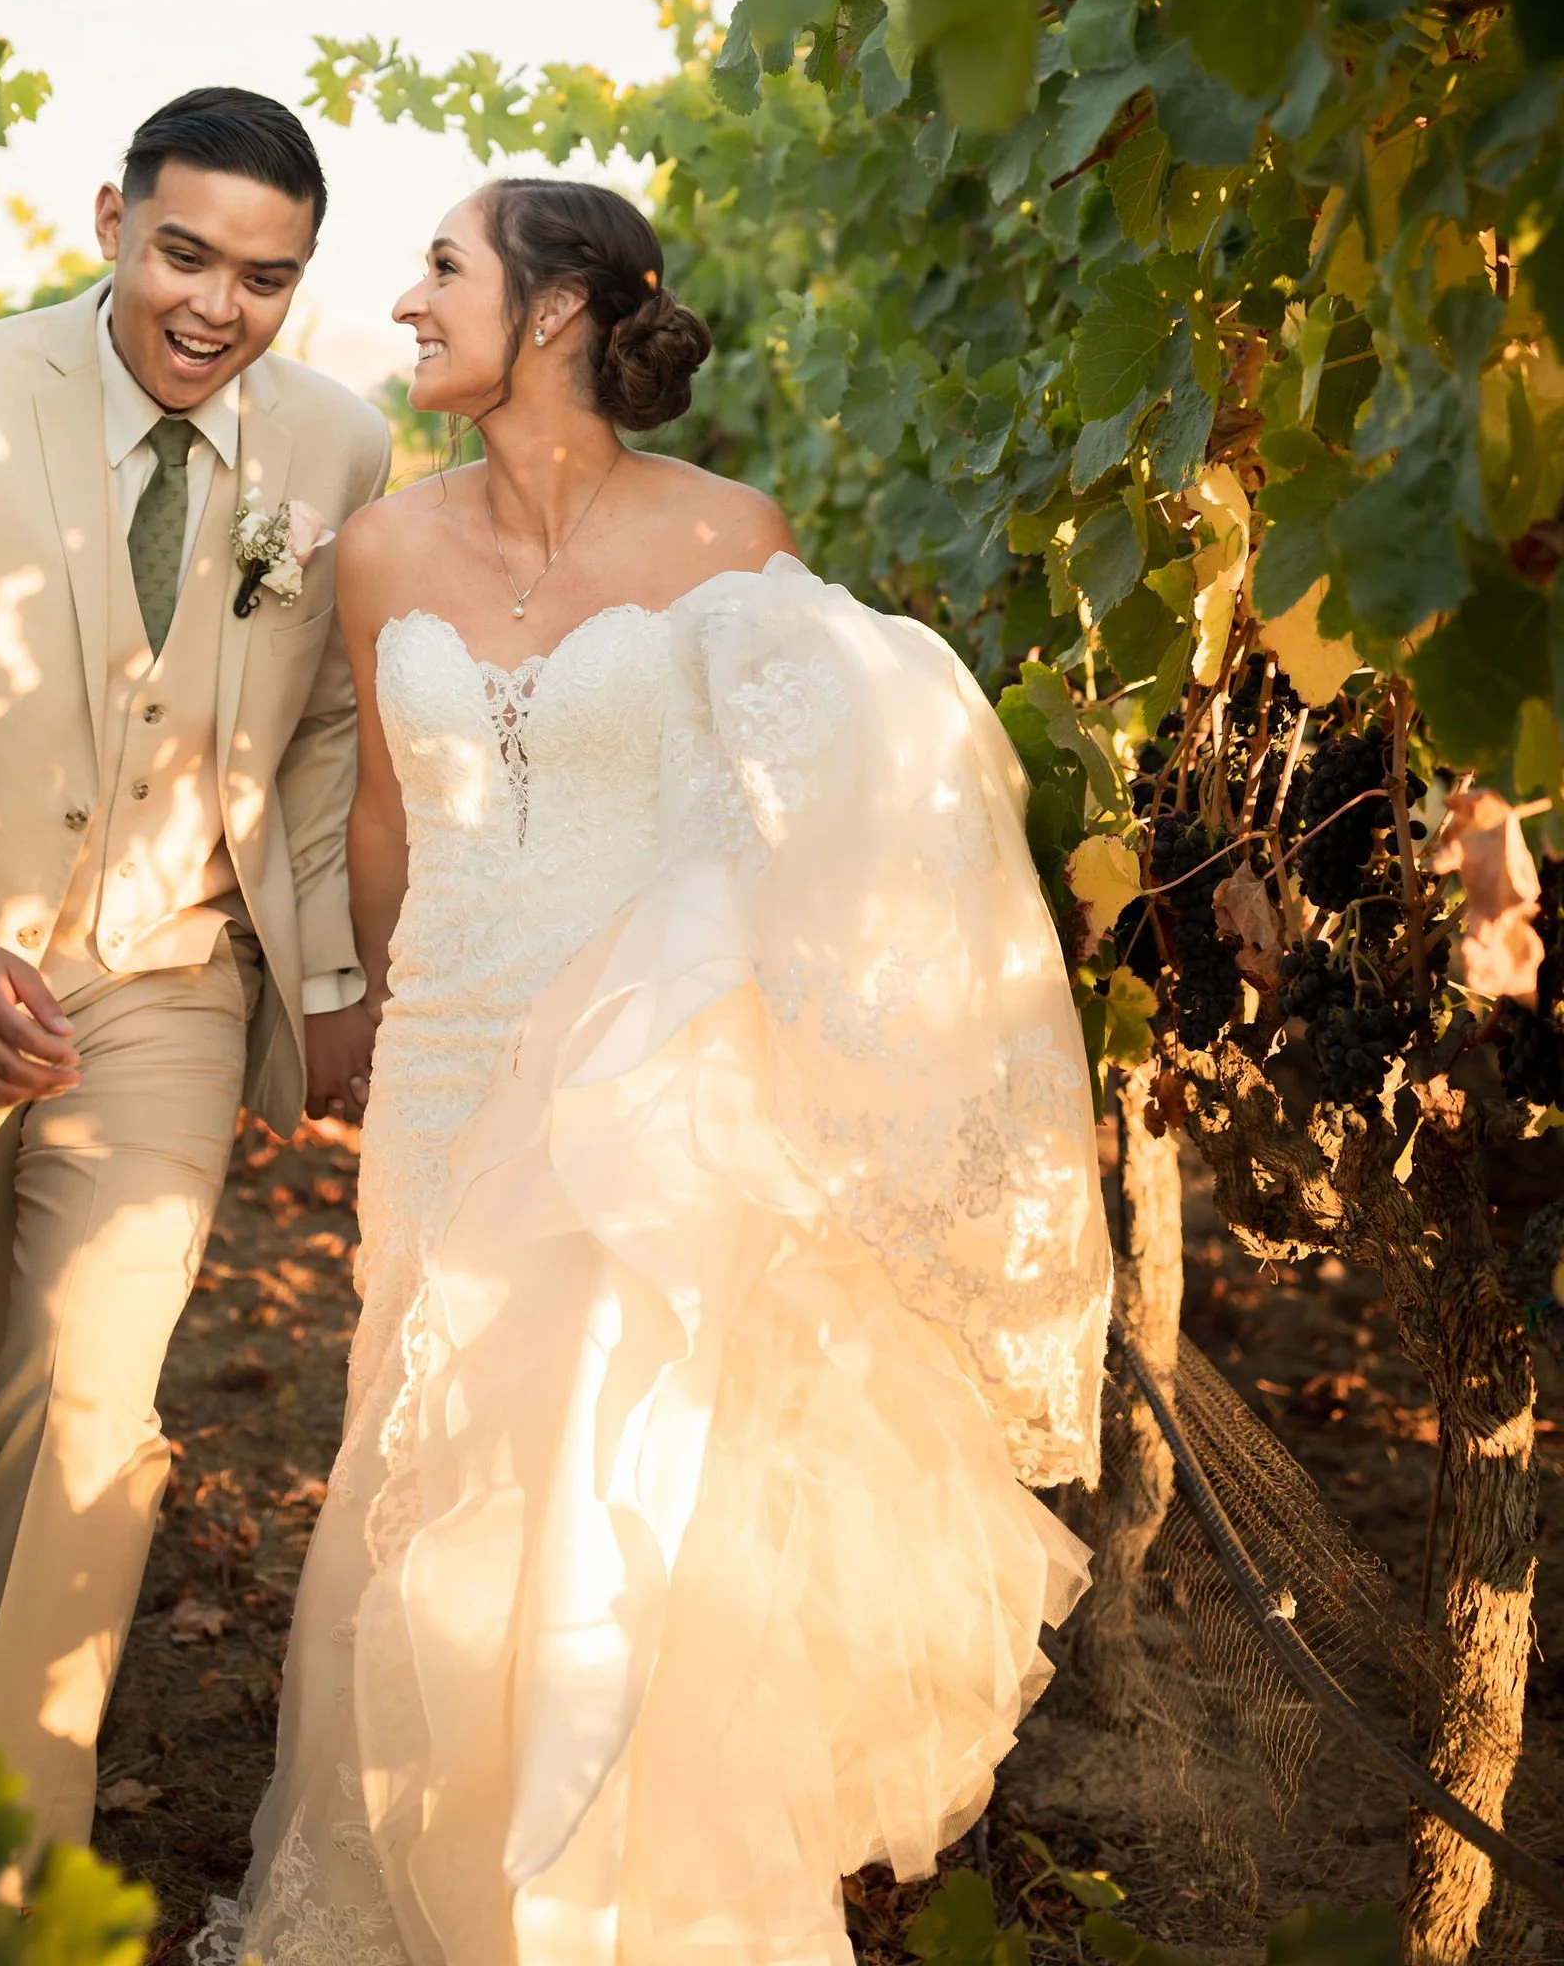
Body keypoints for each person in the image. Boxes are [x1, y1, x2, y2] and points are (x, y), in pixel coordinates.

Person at [206, 175, 1112, 1966]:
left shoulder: (731, 539)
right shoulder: (381, 551)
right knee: (430, 1460)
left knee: (620, 1484)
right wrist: (368, 1019)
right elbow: (384, 817)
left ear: (552, 314)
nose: (405, 303)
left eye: (441, 270)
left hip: (652, 1088)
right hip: (453, 1065)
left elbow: (815, 807)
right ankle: (427, 1895)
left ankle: (626, 1911)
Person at [0, 86, 391, 1869]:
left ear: (299, 284)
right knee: (20, 1385)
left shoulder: (340, 450)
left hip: (177, 976)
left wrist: (331, 976)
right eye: (186, 252)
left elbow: (335, 728)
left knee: (94, 1388)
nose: (216, 306)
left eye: (264, 278)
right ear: (114, 214)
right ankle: (74, 1550)